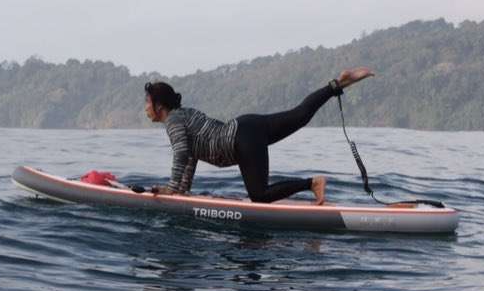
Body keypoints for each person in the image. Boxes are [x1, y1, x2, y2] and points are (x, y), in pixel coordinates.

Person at [144, 68, 374, 204]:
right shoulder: (184, 114)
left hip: (241, 140)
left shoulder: (173, 121)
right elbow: (191, 156)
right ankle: (336, 85)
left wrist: (172, 188)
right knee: (299, 115)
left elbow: (182, 153)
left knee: (259, 196)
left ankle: (312, 183)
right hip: (247, 126)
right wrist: (182, 189)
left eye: (148, 103)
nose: (145, 108)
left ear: (159, 105)